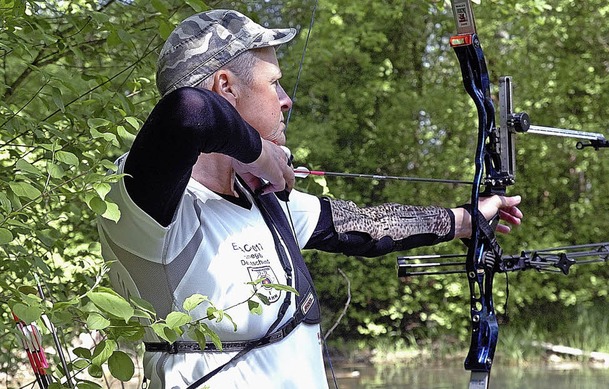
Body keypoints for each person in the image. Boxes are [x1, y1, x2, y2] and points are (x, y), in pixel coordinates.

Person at [97, 9, 523, 389]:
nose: (287, 100)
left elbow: (366, 226)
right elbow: (188, 112)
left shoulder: (259, 200)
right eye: (274, 84)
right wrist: (260, 153)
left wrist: (467, 220)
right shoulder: (145, 202)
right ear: (225, 87)